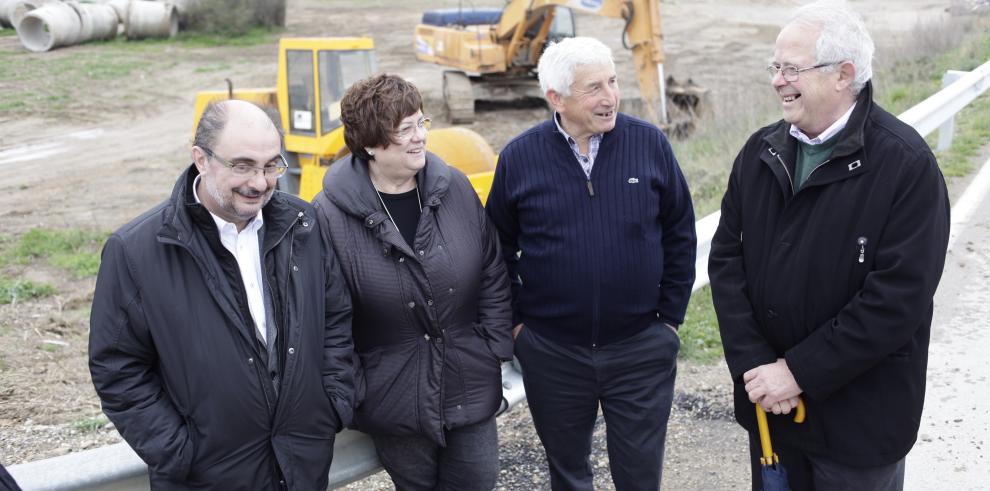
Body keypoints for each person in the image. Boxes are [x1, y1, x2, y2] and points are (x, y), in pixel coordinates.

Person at [709, 2, 951, 489]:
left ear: (844, 74)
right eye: (775, 67)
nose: (778, 80)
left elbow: (897, 300)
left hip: (860, 424)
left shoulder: (906, 167)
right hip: (772, 413)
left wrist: (797, 372)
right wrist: (756, 365)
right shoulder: (760, 153)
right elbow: (726, 261)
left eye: (791, 68)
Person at [89, 100, 354, 489]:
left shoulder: (303, 224)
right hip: (207, 477)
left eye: (270, 165)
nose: (260, 182)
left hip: (301, 466)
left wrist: (331, 403)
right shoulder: (137, 251)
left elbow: (335, 318)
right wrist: (178, 450)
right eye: (242, 165)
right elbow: (117, 368)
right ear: (200, 158)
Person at [486, 37, 697, 490]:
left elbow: (681, 232)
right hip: (553, 353)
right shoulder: (520, 158)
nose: (610, 97)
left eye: (613, 82)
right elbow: (495, 251)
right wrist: (519, 328)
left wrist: (669, 323)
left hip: (641, 346)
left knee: (640, 478)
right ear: (556, 98)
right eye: (593, 88)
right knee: (568, 475)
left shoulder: (649, 144)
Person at [311, 74, 513, 491]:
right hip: (392, 392)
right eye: (404, 130)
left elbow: (492, 269)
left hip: (468, 375)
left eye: (421, 123)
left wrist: (491, 346)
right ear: (369, 141)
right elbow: (326, 315)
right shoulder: (328, 215)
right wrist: (358, 386)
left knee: (478, 481)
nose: (420, 137)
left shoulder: (453, 186)